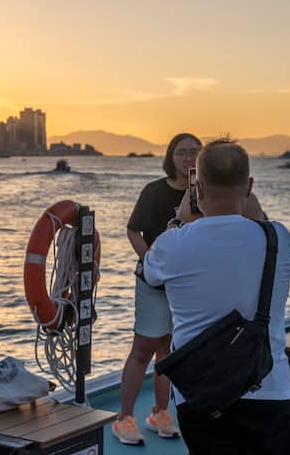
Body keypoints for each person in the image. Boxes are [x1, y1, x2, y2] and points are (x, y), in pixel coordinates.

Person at [143, 139, 290, 454]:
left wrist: (179, 221)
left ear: (196, 189)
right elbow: (259, 221)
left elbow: (150, 274)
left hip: (200, 393)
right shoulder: (277, 238)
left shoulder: (171, 245)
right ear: (249, 185)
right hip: (268, 386)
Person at [114, 132, 201, 444]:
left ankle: (160, 412)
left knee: (168, 351)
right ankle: (123, 417)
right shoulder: (154, 191)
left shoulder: (203, 195)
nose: (189, 158)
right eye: (182, 153)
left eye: (195, 152)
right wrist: (152, 262)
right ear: (170, 157)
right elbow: (133, 230)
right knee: (143, 349)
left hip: (186, 284)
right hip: (153, 283)